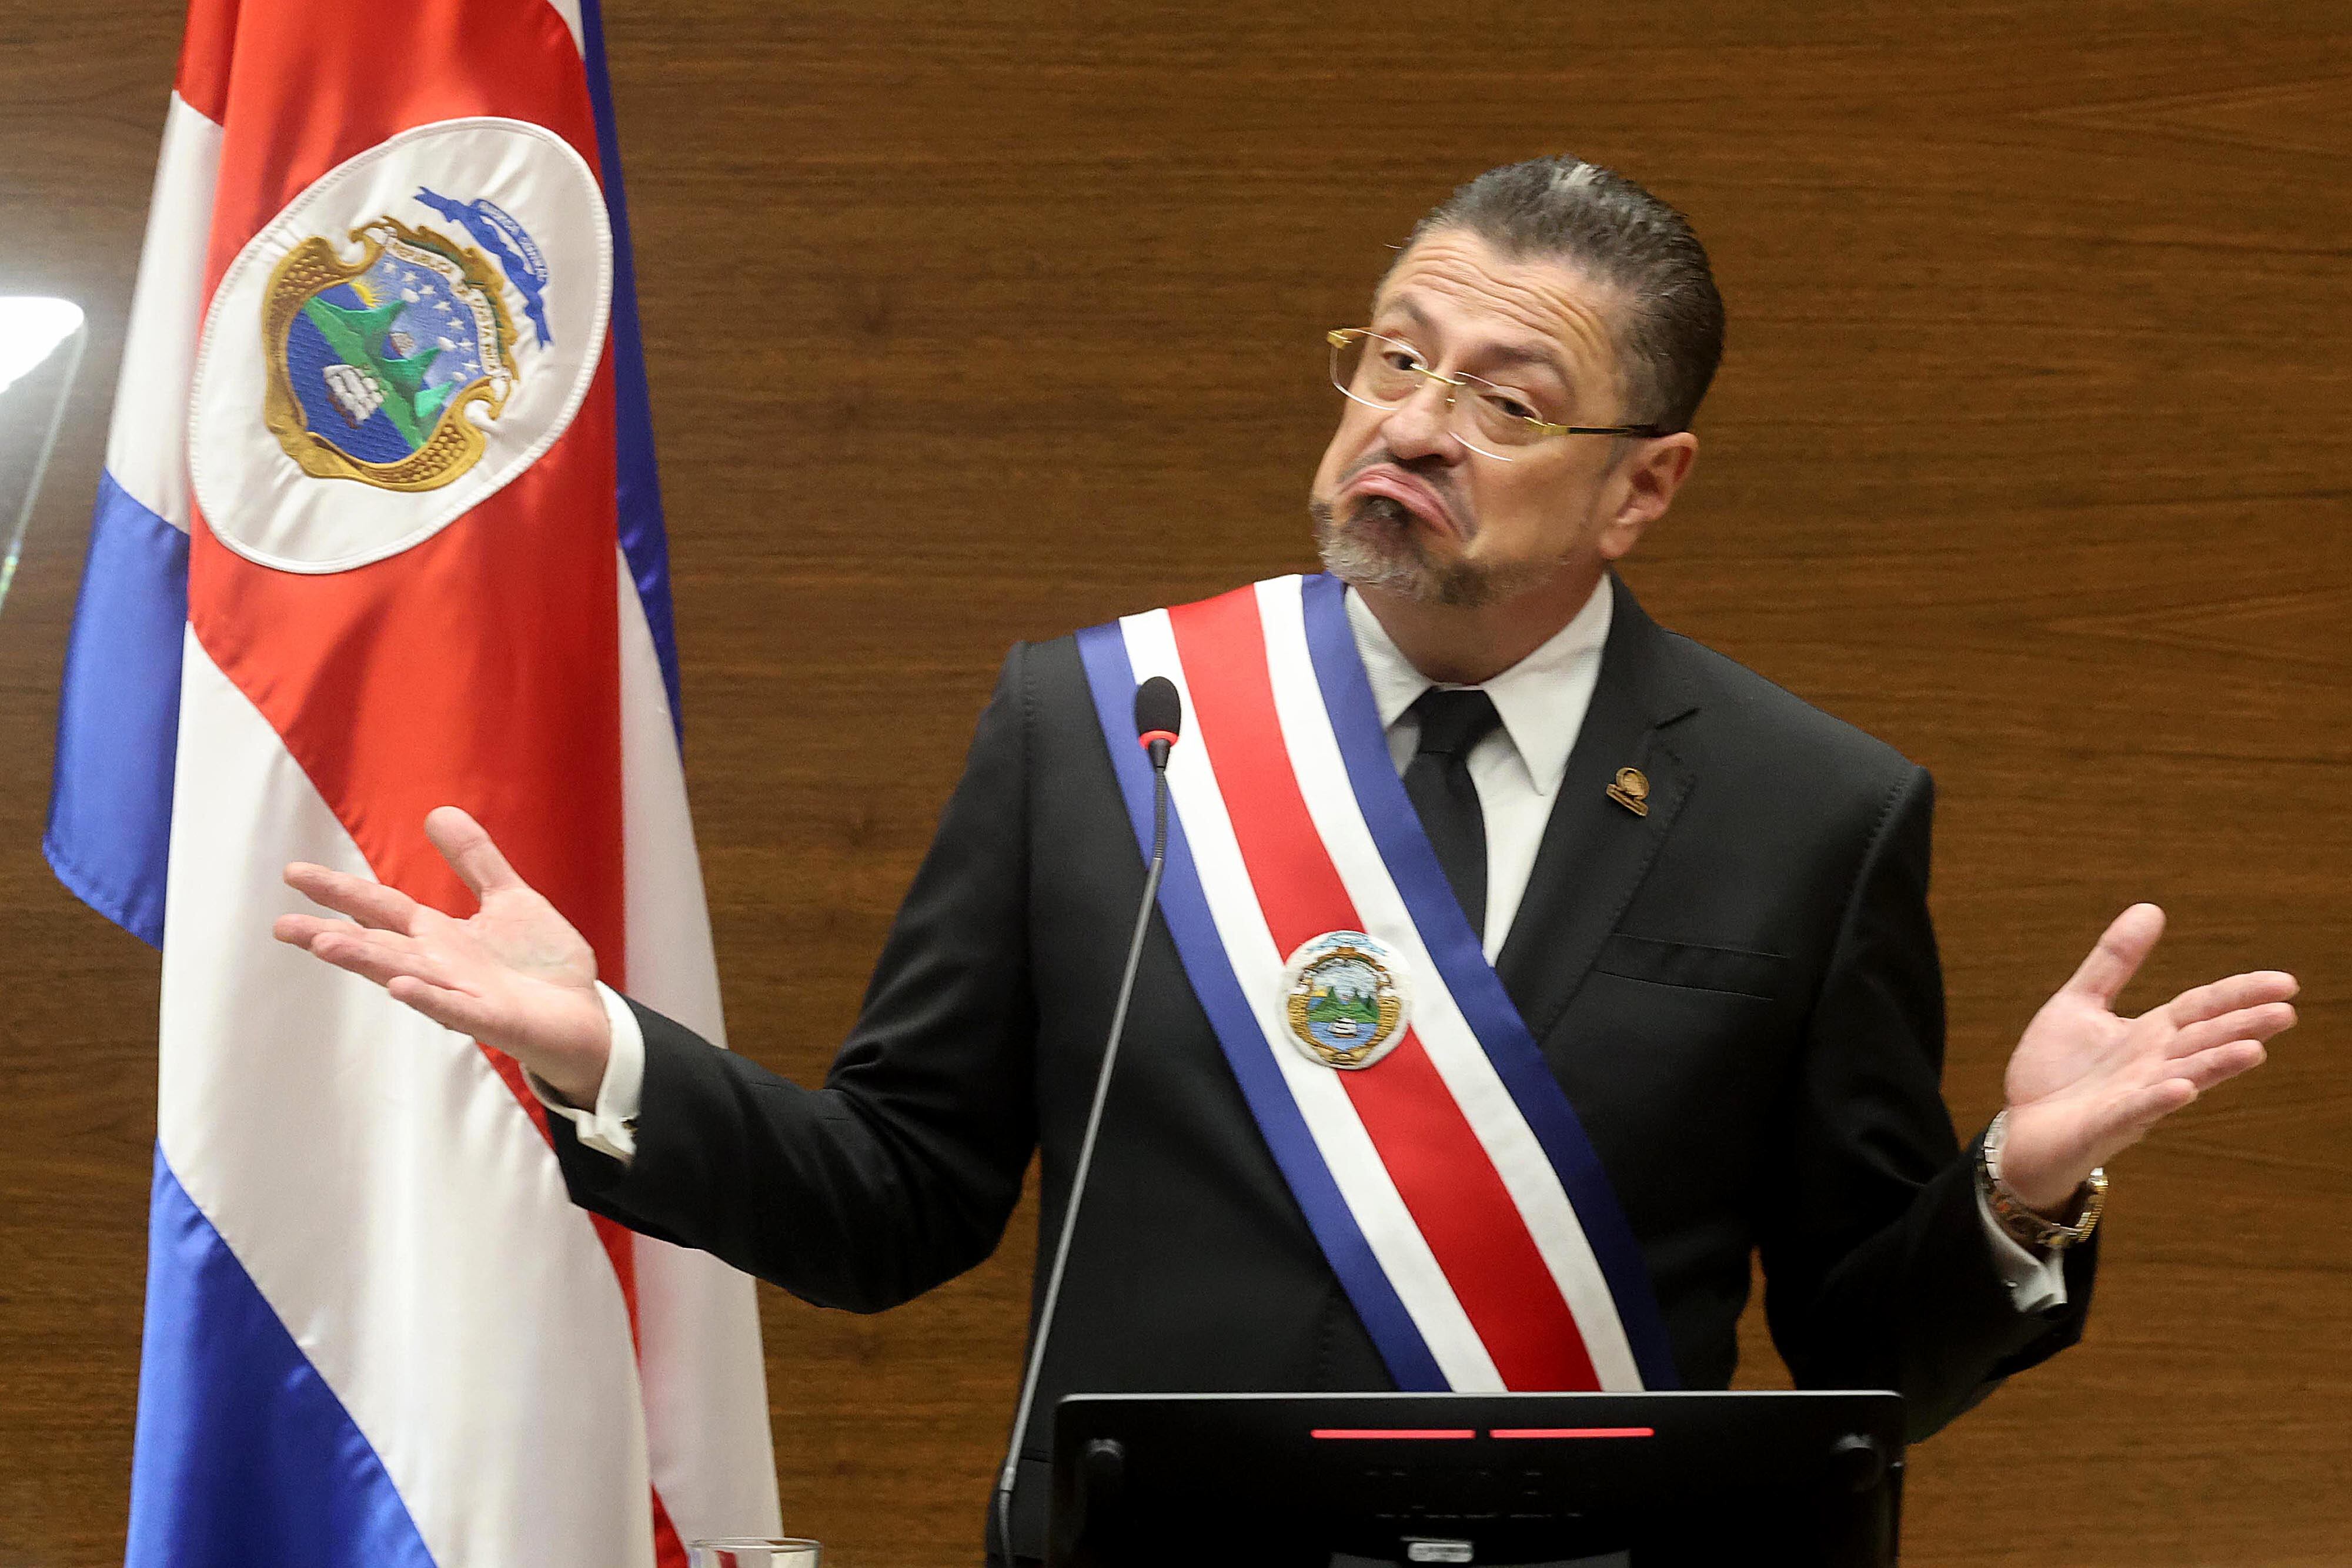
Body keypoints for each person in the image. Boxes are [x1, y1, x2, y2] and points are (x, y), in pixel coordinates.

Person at [275, 158, 2299, 1563]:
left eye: (1505, 397)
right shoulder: (1109, 723)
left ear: (1644, 485)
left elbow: (1861, 1352)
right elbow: (896, 1200)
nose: (1410, 426)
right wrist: (603, 1054)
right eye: (1392, 359)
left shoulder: (1810, 808)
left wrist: (2017, 1195)